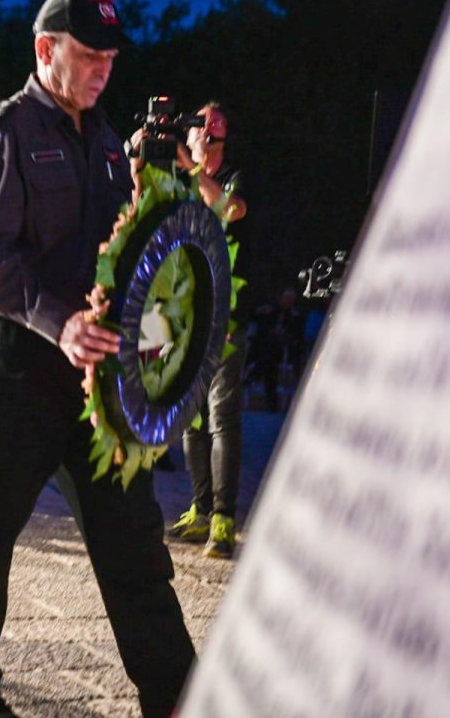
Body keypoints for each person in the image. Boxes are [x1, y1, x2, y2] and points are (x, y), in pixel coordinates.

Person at [0, 0, 196, 717]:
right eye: (88, 55)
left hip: (95, 384)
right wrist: (60, 324)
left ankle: (176, 692)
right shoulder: (4, 133)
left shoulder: (111, 145)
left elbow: (126, 259)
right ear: (45, 50)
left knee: (134, 546)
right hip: (17, 367)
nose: (101, 70)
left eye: (110, 58)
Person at [166, 102, 249, 559]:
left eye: (214, 124)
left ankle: (223, 517)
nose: (206, 128)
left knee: (222, 415)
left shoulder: (234, 174)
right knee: (191, 416)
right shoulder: (179, 178)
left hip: (227, 309)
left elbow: (228, 208)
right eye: (201, 123)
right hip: (185, 309)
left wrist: (189, 165)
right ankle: (199, 509)